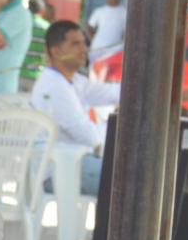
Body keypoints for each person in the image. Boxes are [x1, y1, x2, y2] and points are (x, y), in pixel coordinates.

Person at [30, 18, 122, 194]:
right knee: (130, 184)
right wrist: (115, 130)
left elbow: (111, 92)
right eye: (75, 44)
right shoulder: (54, 86)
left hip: (77, 162)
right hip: (57, 171)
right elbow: (90, 137)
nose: (83, 49)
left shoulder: (73, 80)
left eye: (83, 43)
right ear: (56, 51)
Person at [87, 0, 129, 64]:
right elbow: (89, 27)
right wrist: (94, 40)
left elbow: (125, 32)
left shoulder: (124, 12)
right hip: (97, 49)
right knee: (95, 74)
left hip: (115, 50)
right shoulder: (99, 11)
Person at [20, 0, 53, 89]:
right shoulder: (47, 28)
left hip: (19, 72)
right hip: (37, 75)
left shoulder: (21, 24)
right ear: (42, 11)